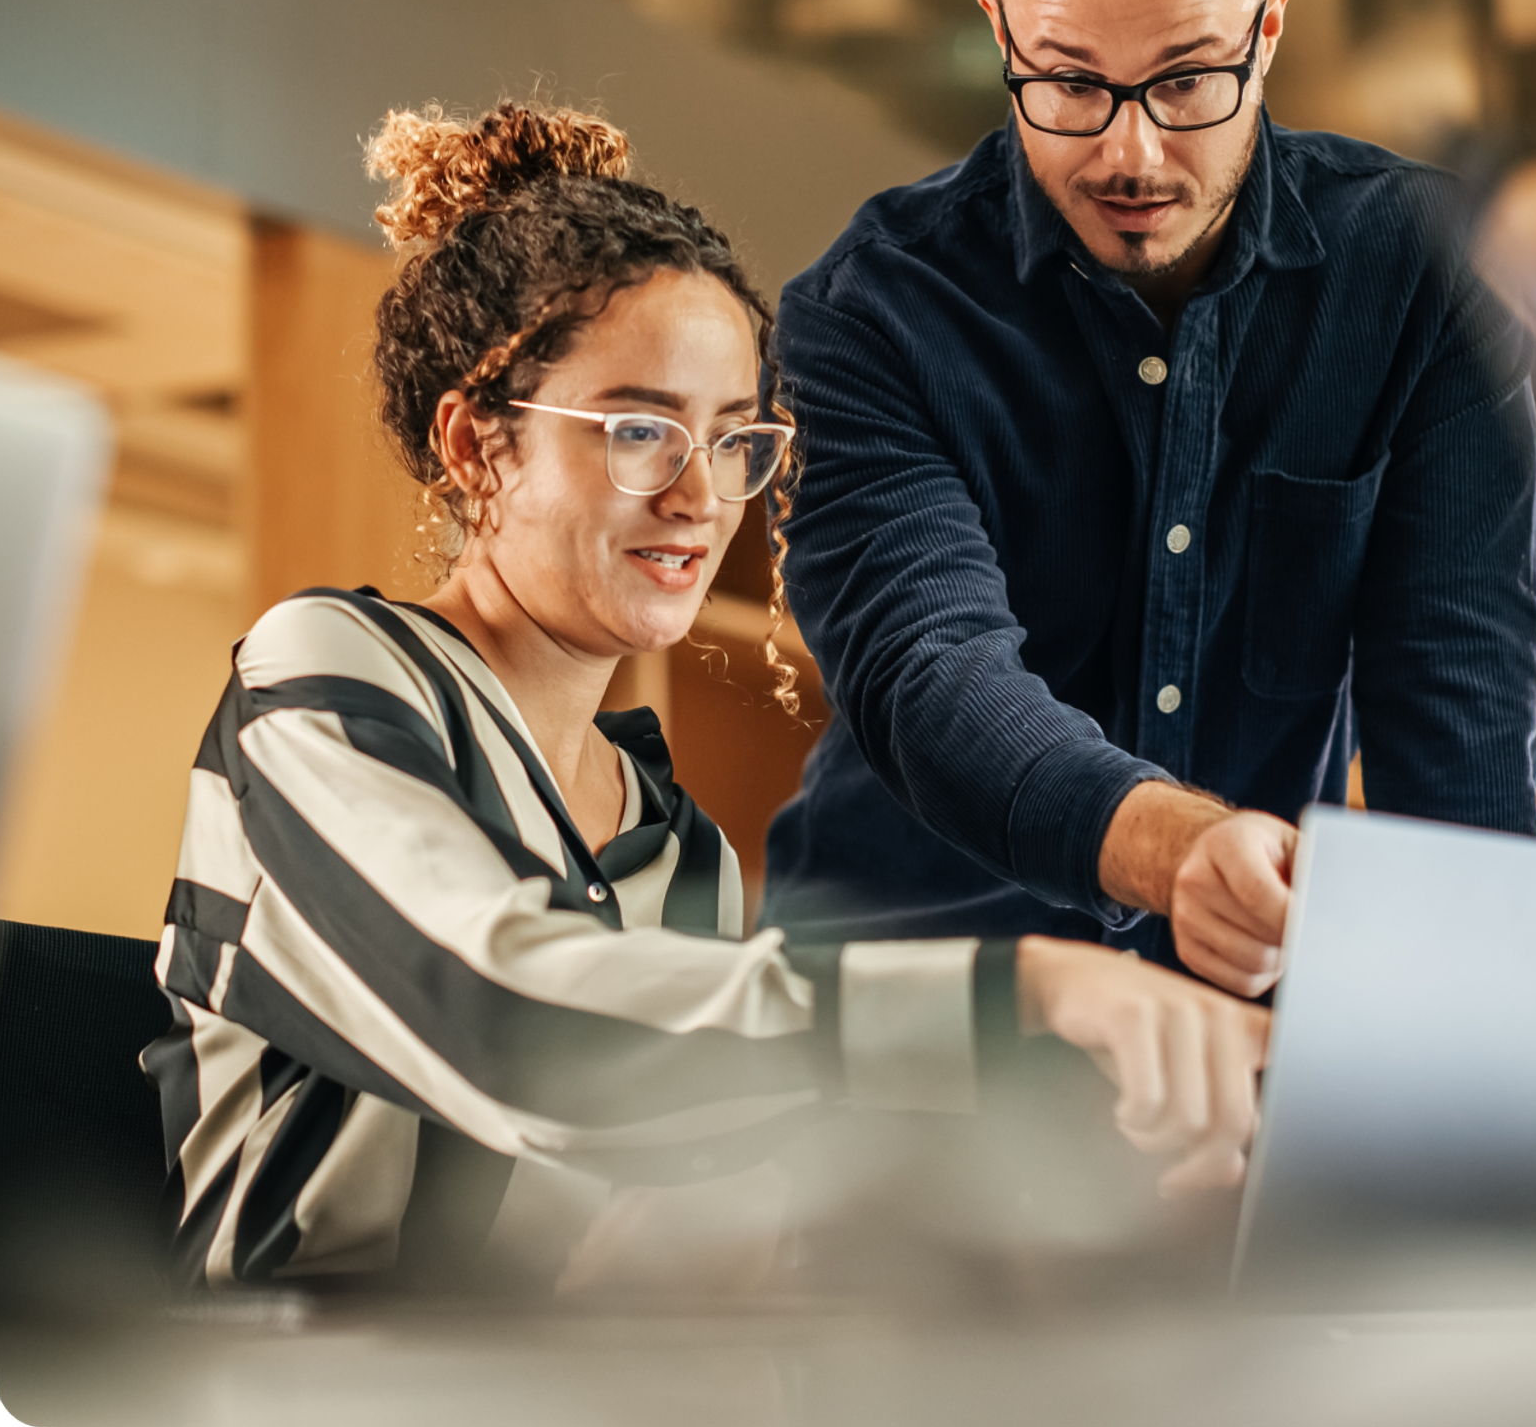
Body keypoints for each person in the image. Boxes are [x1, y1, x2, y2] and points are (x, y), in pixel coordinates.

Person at [139, 99, 1269, 1292]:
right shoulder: (324, 674)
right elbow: (506, 1021)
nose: (699, 497)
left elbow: (668, 1204)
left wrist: (1062, 1157)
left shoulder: (677, 847)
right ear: (475, 447)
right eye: (640, 430)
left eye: (735, 441)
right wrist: (1018, 996)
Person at [761, 0, 1536, 996]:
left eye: (1184, 80)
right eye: (1070, 82)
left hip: (1239, 1011)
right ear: (1000, 36)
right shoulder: (870, 310)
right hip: (913, 997)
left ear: (1267, 29)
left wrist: (1481, 1037)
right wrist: (1176, 850)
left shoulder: (1421, 275)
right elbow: (929, 670)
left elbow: (1458, 741)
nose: (1131, 153)